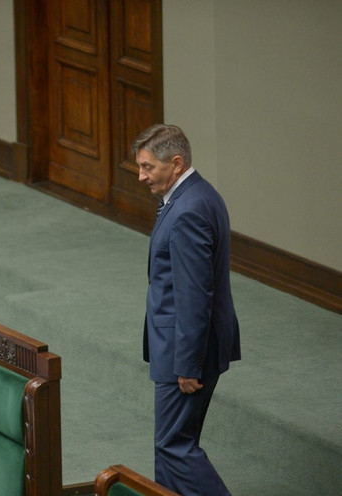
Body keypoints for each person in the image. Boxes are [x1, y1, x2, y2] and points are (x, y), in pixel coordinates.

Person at [132, 124, 241, 495]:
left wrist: (188, 365)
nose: (141, 175)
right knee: (170, 449)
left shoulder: (189, 211)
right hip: (181, 345)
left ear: (176, 163)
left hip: (185, 352)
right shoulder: (196, 195)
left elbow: (195, 296)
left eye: (148, 167)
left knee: (175, 448)